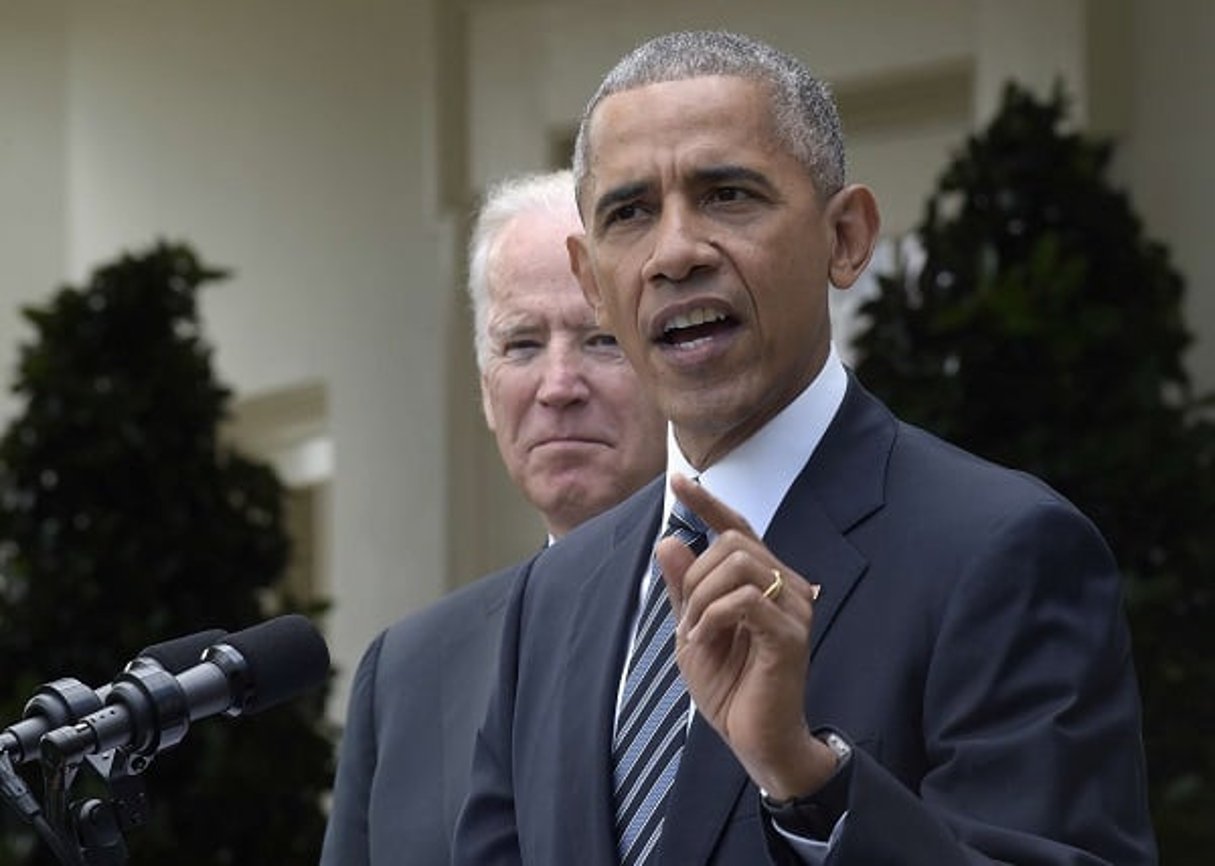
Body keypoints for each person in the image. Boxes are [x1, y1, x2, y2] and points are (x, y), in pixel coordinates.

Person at [453, 31, 1157, 865]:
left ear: (847, 237)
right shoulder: (552, 596)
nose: (676, 252)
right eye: (630, 212)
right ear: (591, 278)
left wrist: (805, 779)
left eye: (727, 195)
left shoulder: (1003, 551)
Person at [319, 169, 667, 866]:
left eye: (600, 339)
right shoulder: (406, 674)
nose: (558, 386)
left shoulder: (769, 611)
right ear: (485, 390)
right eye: (521, 345)